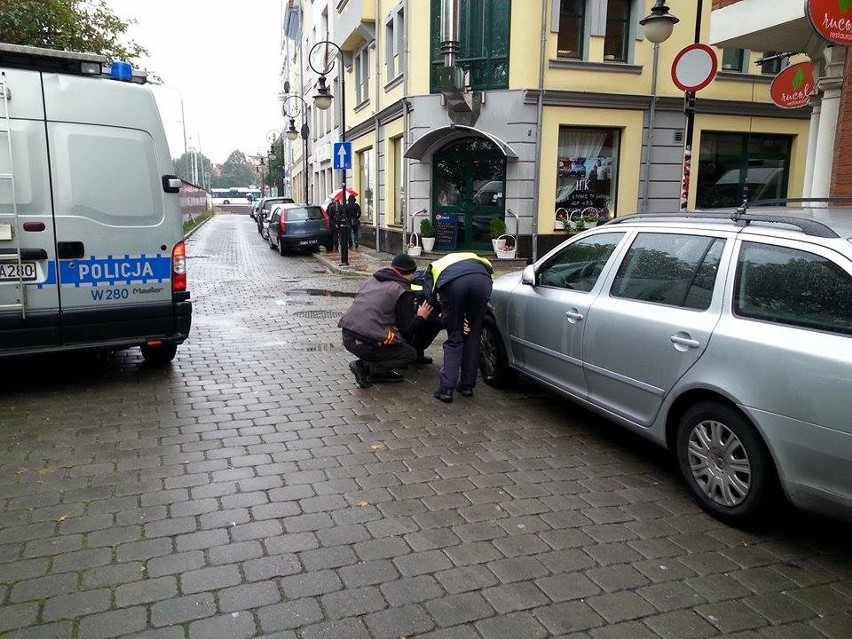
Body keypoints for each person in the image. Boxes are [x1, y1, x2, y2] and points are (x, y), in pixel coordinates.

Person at [339, 254, 434, 388]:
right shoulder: (403, 290)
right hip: (366, 342)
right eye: (412, 274)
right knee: (409, 354)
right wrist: (421, 316)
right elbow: (408, 330)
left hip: (347, 335)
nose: (413, 278)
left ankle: (373, 364)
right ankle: (367, 368)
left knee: (393, 337)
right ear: (407, 274)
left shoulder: (372, 279)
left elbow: (380, 307)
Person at [422, 252, 494, 403]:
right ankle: (467, 386)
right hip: (483, 282)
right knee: (474, 335)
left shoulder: (433, 267)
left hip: (455, 284)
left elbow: (429, 297)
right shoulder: (476, 259)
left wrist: (444, 314)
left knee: (455, 337)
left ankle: (446, 389)